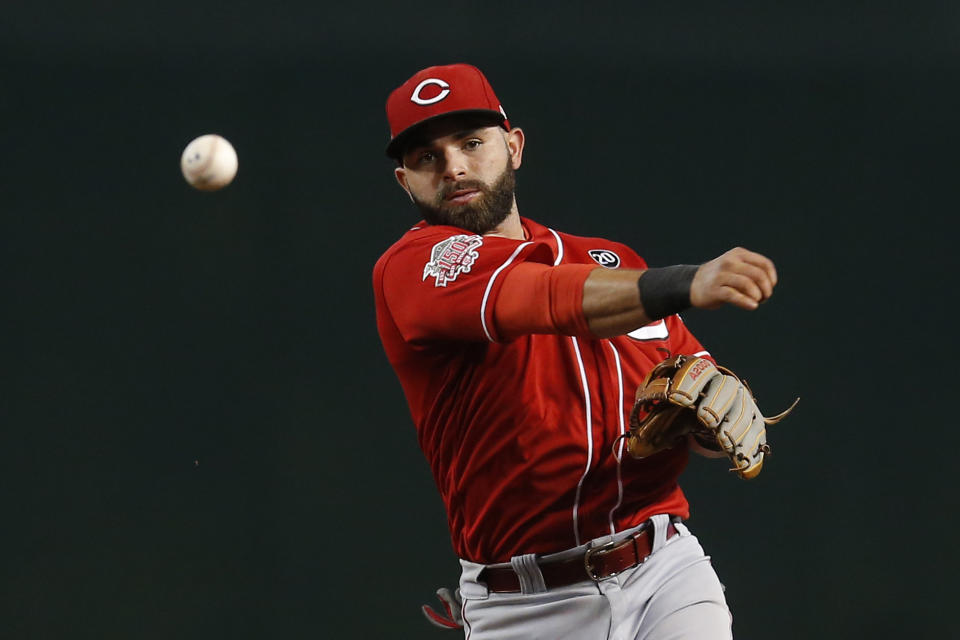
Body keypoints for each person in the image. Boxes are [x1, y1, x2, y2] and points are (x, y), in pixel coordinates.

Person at [372, 63, 781, 640]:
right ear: (405, 182)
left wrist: (710, 425)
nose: (454, 167)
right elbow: (542, 296)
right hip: (522, 606)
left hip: (663, 569)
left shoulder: (608, 258)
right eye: (426, 157)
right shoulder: (413, 271)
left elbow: (702, 401)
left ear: (513, 147)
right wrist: (686, 282)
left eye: (471, 142)